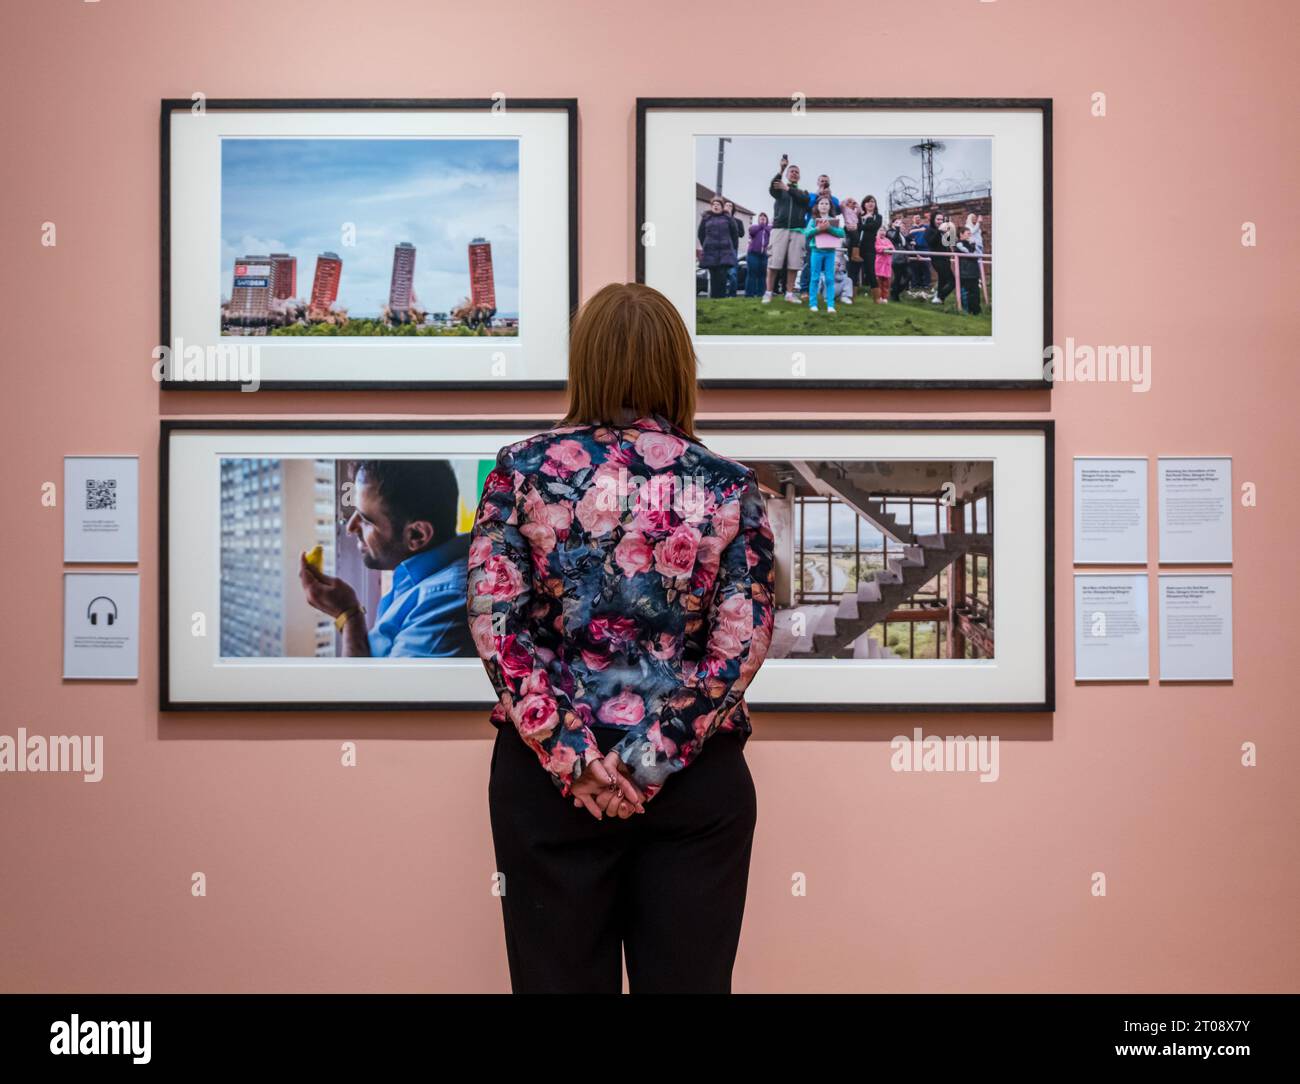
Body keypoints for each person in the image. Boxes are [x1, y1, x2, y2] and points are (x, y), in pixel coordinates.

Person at [468, 282, 776, 994]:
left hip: (549, 788)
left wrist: (575, 758)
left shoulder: (521, 470)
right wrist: (648, 758)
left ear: (587, 364)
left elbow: (496, 624)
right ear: (679, 366)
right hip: (693, 783)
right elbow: (741, 644)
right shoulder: (729, 486)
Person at [299, 460, 474, 657]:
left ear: (417, 535)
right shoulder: (419, 578)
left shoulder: (445, 606)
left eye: (366, 520)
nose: (350, 527)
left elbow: (369, 689)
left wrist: (348, 616)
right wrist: (348, 613)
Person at [763, 155, 812, 303]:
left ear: (799, 176)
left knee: (794, 264)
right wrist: (781, 169)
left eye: (797, 172)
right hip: (780, 229)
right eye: (791, 171)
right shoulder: (780, 189)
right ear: (787, 174)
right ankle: (768, 292)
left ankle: (789, 294)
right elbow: (773, 186)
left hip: (798, 231)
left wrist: (788, 188)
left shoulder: (803, 193)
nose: (794, 173)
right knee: (774, 263)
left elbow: (804, 201)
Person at [802, 194, 844, 314]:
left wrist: (829, 228)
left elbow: (841, 233)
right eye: (822, 203)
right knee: (814, 278)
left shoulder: (833, 219)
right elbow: (807, 233)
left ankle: (830, 305)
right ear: (817, 206)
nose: (824, 205)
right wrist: (818, 229)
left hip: (830, 252)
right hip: (816, 251)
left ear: (830, 206)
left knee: (829, 278)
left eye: (826, 203)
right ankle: (813, 303)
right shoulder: (813, 220)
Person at [697, 196, 737, 299]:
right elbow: (701, 234)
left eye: (718, 204)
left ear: (722, 207)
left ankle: (721, 298)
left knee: (722, 276)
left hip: (724, 252)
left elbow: (734, 233)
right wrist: (706, 243)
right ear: (711, 207)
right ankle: (714, 298)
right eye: (714, 205)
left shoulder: (727, 217)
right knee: (714, 276)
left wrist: (730, 245)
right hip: (710, 252)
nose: (716, 206)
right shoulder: (706, 218)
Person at [924, 210, 955, 306]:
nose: (940, 221)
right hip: (937, 260)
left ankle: (939, 301)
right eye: (938, 219)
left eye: (941, 219)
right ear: (933, 219)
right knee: (952, 281)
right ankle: (939, 297)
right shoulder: (929, 230)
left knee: (942, 280)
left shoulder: (944, 230)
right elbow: (931, 242)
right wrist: (939, 231)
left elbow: (949, 243)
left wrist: (949, 233)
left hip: (946, 259)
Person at [857, 195, 883, 299]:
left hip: (869, 247)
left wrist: (864, 223)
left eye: (873, 201)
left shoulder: (878, 216)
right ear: (864, 204)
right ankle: (851, 296)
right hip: (857, 247)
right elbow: (854, 227)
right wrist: (862, 221)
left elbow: (874, 226)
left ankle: (877, 298)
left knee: (871, 271)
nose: (870, 203)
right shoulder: (859, 215)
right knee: (854, 271)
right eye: (868, 201)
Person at [955, 225, 982, 316]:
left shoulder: (971, 243)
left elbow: (978, 254)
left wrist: (973, 246)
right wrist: (972, 247)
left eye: (970, 233)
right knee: (967, 293)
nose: (970, 235)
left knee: (975, 292)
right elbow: (969, 253)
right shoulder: (959, 244)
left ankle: (976, 311)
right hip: (965, 273)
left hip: (973, 272)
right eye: (968, 233)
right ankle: (966, 311)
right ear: (961, 234)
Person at [744, 212, 771, 297]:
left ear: (767, 220)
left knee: (762, 275)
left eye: (764, 217)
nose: (762, 218)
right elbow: (752, 232)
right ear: (758, 220)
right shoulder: (754, 227)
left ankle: (761, 294)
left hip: (764, 255)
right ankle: (749, 294)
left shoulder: (769, 229)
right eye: (761, 217)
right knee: (751, 274)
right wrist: (761, 226)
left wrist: (765, 226)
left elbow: (771, 232)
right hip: (753, 254)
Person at [723, 199, 743, 297]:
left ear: (733, 209)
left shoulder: (738, 221)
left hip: (732, 250)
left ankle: (732, 295)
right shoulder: (719, 219)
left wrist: (732, 222)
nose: (728, 207)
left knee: (732, 273)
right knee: (721, 274)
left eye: (730, 206)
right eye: (726, 205)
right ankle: (720, 294)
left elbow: (742, 234)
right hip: (720, 250)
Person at [873, 225, 895, 304]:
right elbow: (876, 248)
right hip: (879, 263)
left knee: (886, 282)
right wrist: (885, 248)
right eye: (881, 230)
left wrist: (888, 248)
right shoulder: (875, 239)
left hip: (887, 264)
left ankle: (885, 297)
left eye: (884, 231)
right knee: (878, 281)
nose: (882, 232)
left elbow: (892, 248)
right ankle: (879, 297)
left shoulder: (888, 240)